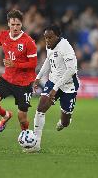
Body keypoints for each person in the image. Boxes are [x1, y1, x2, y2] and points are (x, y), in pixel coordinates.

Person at [26, 24, 80, 152]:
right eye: (45, 38)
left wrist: (56, 88)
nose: (47, 40)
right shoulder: (50, 45)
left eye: (50, 38)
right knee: (40, 108)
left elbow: (71, 70)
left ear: (57, 36)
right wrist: (38, 76)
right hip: (53, 81)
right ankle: (36, 144)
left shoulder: (65, 47)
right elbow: (48, 60)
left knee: (65, 121)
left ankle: (64, 122)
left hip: (68, 86)